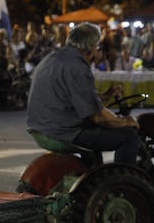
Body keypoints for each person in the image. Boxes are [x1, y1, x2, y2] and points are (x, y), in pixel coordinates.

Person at [26, 22, 140, 164]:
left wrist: (106, 95)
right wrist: (125, 122)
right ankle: (125, 178)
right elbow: (98, 117)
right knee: (129, 136)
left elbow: (78, 98)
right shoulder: (77, 67)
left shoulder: (54, 57)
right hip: (60, 132)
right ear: (91, 47)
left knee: (97, 129)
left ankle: (94, 170)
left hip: (41, 128)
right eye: (98, 47)